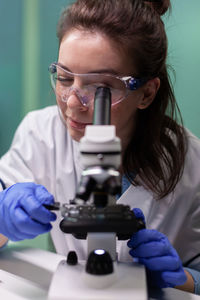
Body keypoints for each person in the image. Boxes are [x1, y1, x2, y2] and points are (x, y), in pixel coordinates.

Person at [0, 0, 200, 294]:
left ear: (146, 92)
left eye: (99, 89)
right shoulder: (40, 133)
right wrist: (3, 221)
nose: (71, 103)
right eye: (65, 78)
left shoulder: (191, 163)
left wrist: (181, 278)